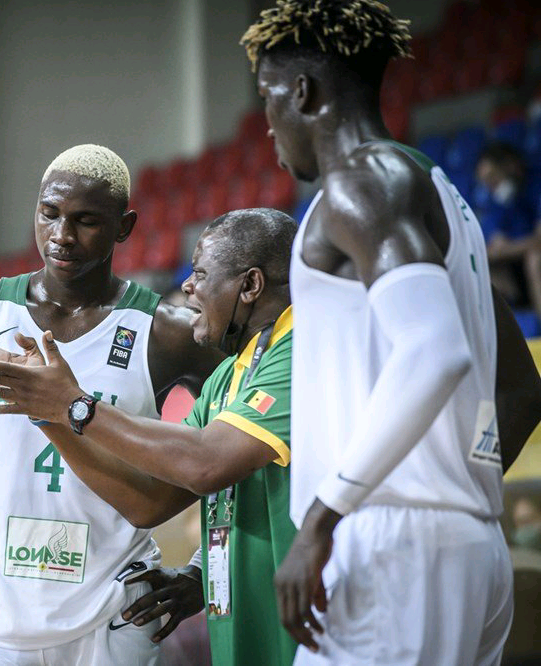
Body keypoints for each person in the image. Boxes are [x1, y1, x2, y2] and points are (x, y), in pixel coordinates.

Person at [241, 2, 541, 663]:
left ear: (303, 92)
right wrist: (461, 490)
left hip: (391, 544)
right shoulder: (444, 198)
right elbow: (523, 386)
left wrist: (323, 516)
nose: (266, 126)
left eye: (267, 100)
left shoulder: (362, 184)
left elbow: (435, 353)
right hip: (456, 543)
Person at [0, 144, 220, 664]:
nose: (61, 235)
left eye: (84, 221)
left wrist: (203, 571)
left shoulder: (168, 334)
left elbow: (236, 453)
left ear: (124, 228)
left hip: (115, 622)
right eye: (50, 214)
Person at [0, 208, 300, 666]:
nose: (188, 286)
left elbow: (206, 463)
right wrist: (50, 414)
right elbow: (147, 502)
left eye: (200, 274)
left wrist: (75, 406)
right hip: (251, 625)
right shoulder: (228, 378)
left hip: (307, 622)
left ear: (250, 286)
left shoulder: (302, 349)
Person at [474, 142, 541, 321]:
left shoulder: (536, 186)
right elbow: (490, 246)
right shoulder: (497, 201)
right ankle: (510, 335)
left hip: (533, 264)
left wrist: (507, 249)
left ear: (511, 166)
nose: (491, 187)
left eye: (493, 178)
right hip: (516, 273)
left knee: (535, 259)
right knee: (486, 271)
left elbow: (539, 241)